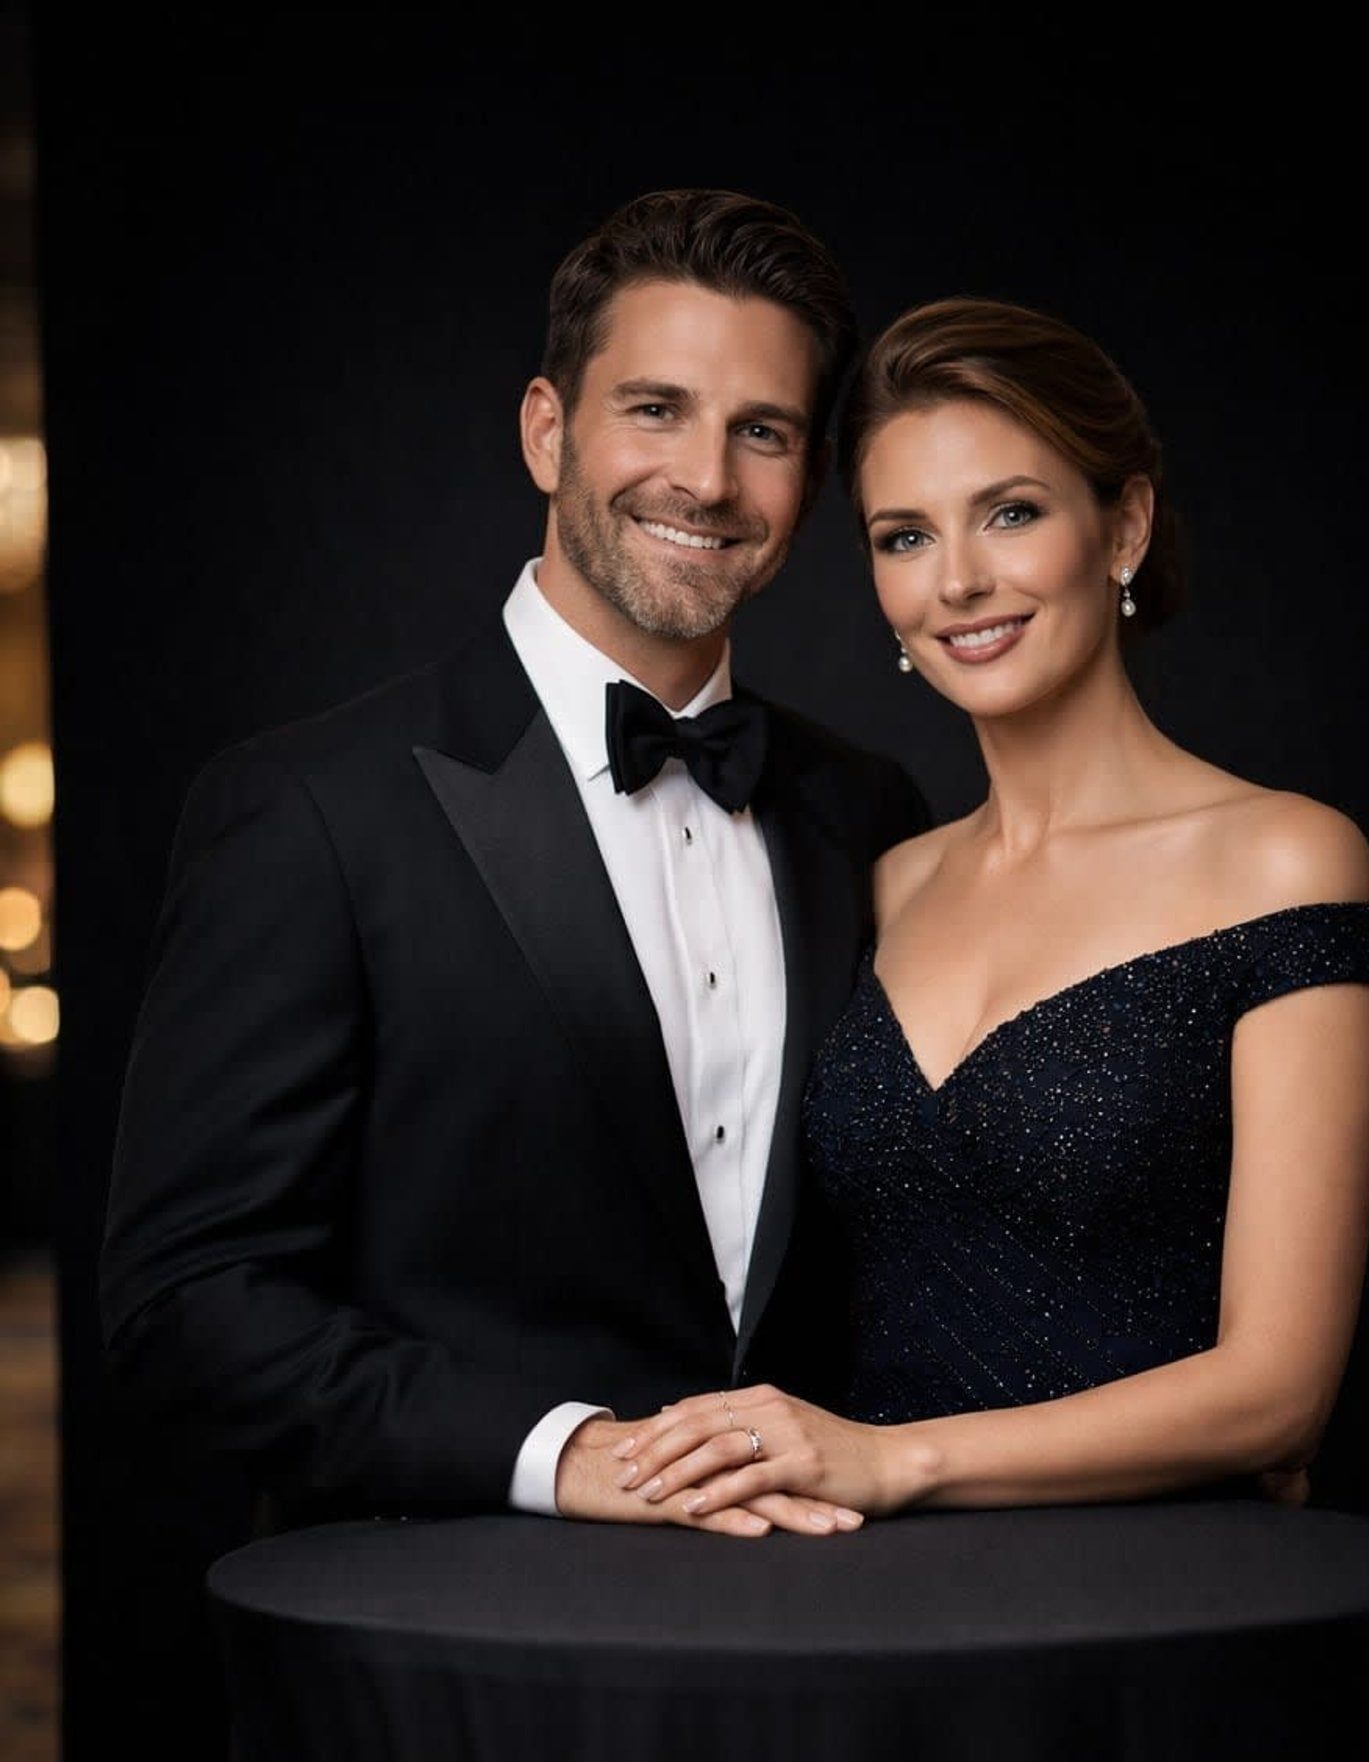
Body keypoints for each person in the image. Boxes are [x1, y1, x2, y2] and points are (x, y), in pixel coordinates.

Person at [98, 189, 928, 1541]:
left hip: (818, 1626)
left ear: (808, 486)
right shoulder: (306, 809)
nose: (708, 481)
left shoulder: (870, 814)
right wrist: (563, 1451)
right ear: (548, 430)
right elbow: (185, 1300)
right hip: (460, 1637)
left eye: (761, 431)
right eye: (655, 409)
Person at [604, 297, 1369, 1521]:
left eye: (1010, 513)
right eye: (903, 536)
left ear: (1121, 525)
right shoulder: (886, 876)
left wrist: (897, 1458)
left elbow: (1278, 1392)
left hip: (1163, 1581)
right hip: (877, 1587)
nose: (959, 580)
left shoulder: (1285, 860)